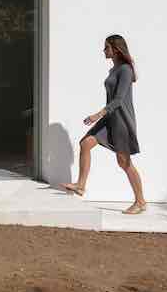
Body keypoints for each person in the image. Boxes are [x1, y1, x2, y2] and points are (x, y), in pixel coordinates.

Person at [61, 33, 146, 214]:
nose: (103, 50)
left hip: (121, 121)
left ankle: (140, 202)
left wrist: (96, 115)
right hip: (110, 119)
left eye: (106, 47)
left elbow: (119, 100)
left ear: (115, 50)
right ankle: (81, 185)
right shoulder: (113, 70)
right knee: (85, 143)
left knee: (124, 162)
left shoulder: (125, 70)